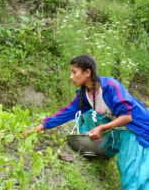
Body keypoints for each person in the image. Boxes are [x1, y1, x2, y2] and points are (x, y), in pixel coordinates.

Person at [24, 54, 149, 189]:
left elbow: (127, 116)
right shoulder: (86, 95)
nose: (71, 77)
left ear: (87, 72)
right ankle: (102, 154)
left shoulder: (110, 87)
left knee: (132, 176)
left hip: (137, 130)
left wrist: (101, 128)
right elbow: (66, 112)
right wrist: (39, 127)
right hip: (120, 128)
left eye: (74, 72)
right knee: (86, 116)